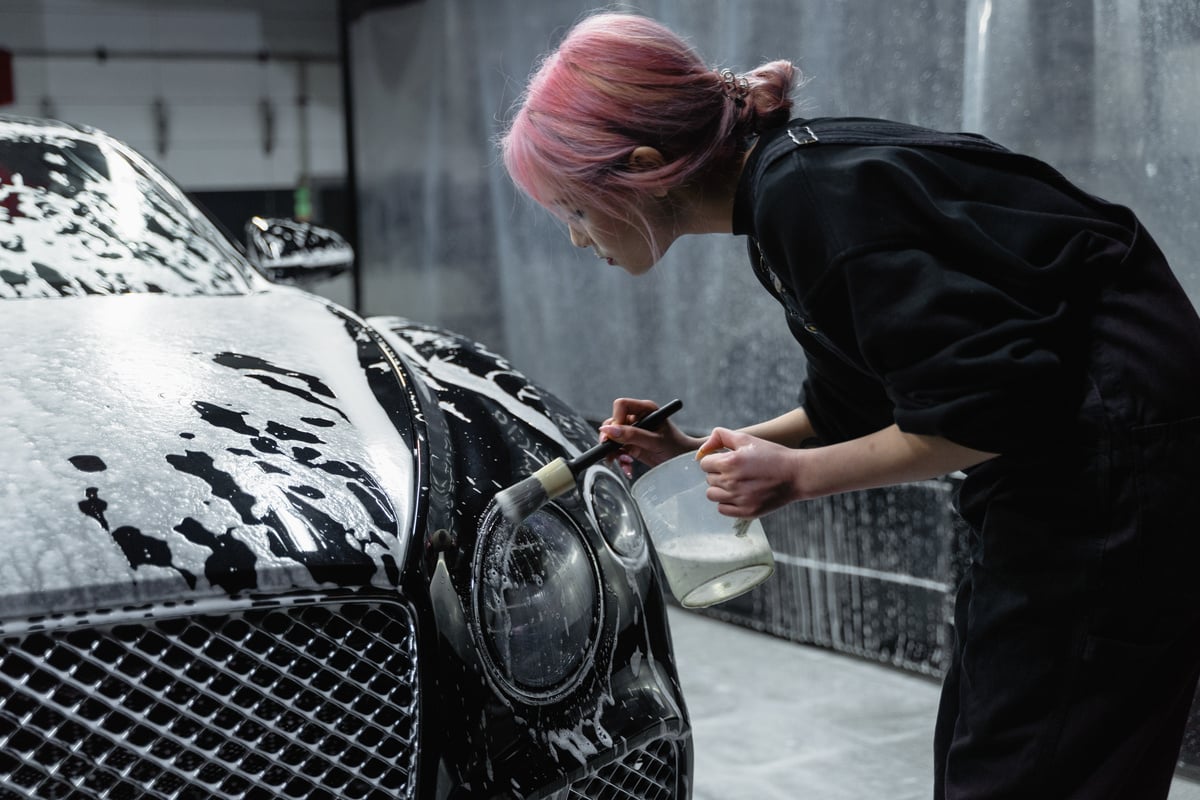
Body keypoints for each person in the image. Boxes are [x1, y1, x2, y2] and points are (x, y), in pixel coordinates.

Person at [500, 11, 1200, 799]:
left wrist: (793, 479)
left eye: (576, 211)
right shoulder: (789, 186)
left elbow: (984, 411)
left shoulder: (808, 194)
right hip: (1066, 467)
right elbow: (860, 408)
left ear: (646, 166)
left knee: (1030, 772)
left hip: (1118, 469)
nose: (576, 239)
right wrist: (694, 453)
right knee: (995, 749)